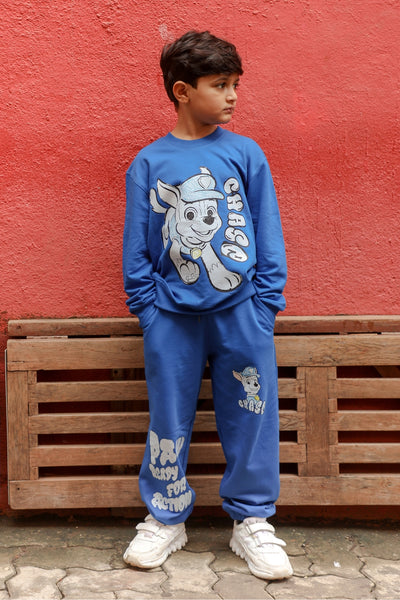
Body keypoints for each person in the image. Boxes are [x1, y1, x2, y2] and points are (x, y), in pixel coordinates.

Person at [122, 30, 293, 580]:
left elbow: (267, 229)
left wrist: (265, 304)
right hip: (170, 318)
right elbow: (136, 245)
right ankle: (166, 516)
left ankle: (252, 520)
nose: (233, 96)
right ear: (182, 91)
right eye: (220, 85)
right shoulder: (149, 163)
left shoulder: (245, 153)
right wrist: (148, 308)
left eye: (235, 84)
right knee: (168, 417)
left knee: (251, 415)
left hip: (243, 314)